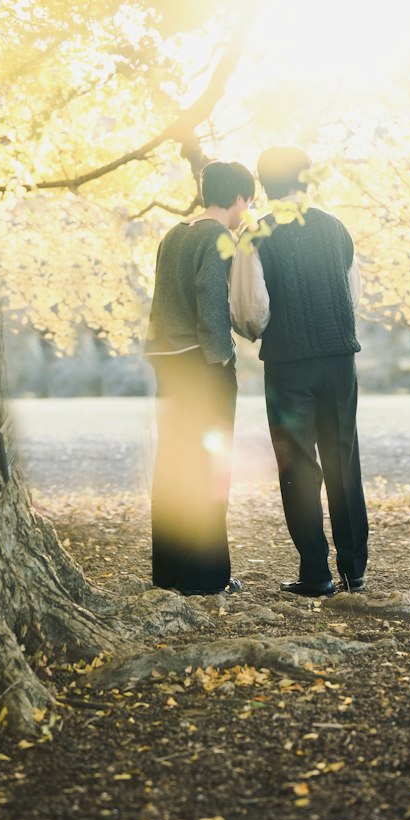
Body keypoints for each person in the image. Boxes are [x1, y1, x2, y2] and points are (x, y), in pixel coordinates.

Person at [230, 146, 369, 597]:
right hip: (339, 359)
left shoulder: (257, 234)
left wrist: (266, 331)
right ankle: (354, 570)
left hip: (290, 364)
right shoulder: (335, 229)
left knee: (297, 466)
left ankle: (316, 573)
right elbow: (351, 297)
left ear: (263, 182)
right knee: (343, 457)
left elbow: (251, 312)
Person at [144, 160, 255, 595]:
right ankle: (206, 577)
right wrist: (224, 360)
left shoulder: (173, 235)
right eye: (249, 201)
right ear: (240, 198)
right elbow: (211, 303)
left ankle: (168, 573)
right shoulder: (217, 237)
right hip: (202, 367)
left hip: (168, 365)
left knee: (172, 465)